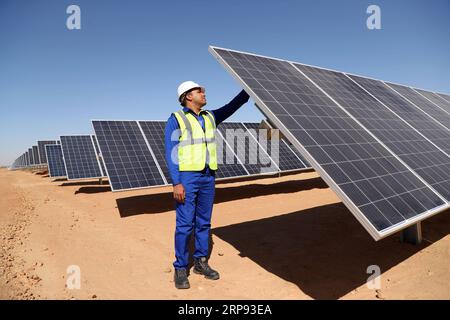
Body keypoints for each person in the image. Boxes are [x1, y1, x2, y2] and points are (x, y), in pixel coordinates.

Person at [165, 81, 249, 289]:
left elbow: (231, 107)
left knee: (204, 222)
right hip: (187, 178)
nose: (203, 93)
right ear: (187, 96)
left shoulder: (210, 116)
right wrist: (176, 182)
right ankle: (181, 267)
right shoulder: (176, 119)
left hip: (208, 177)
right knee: (185, 225)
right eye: (198, 91)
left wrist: (248, 89)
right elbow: (171, 151)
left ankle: (201, 263)